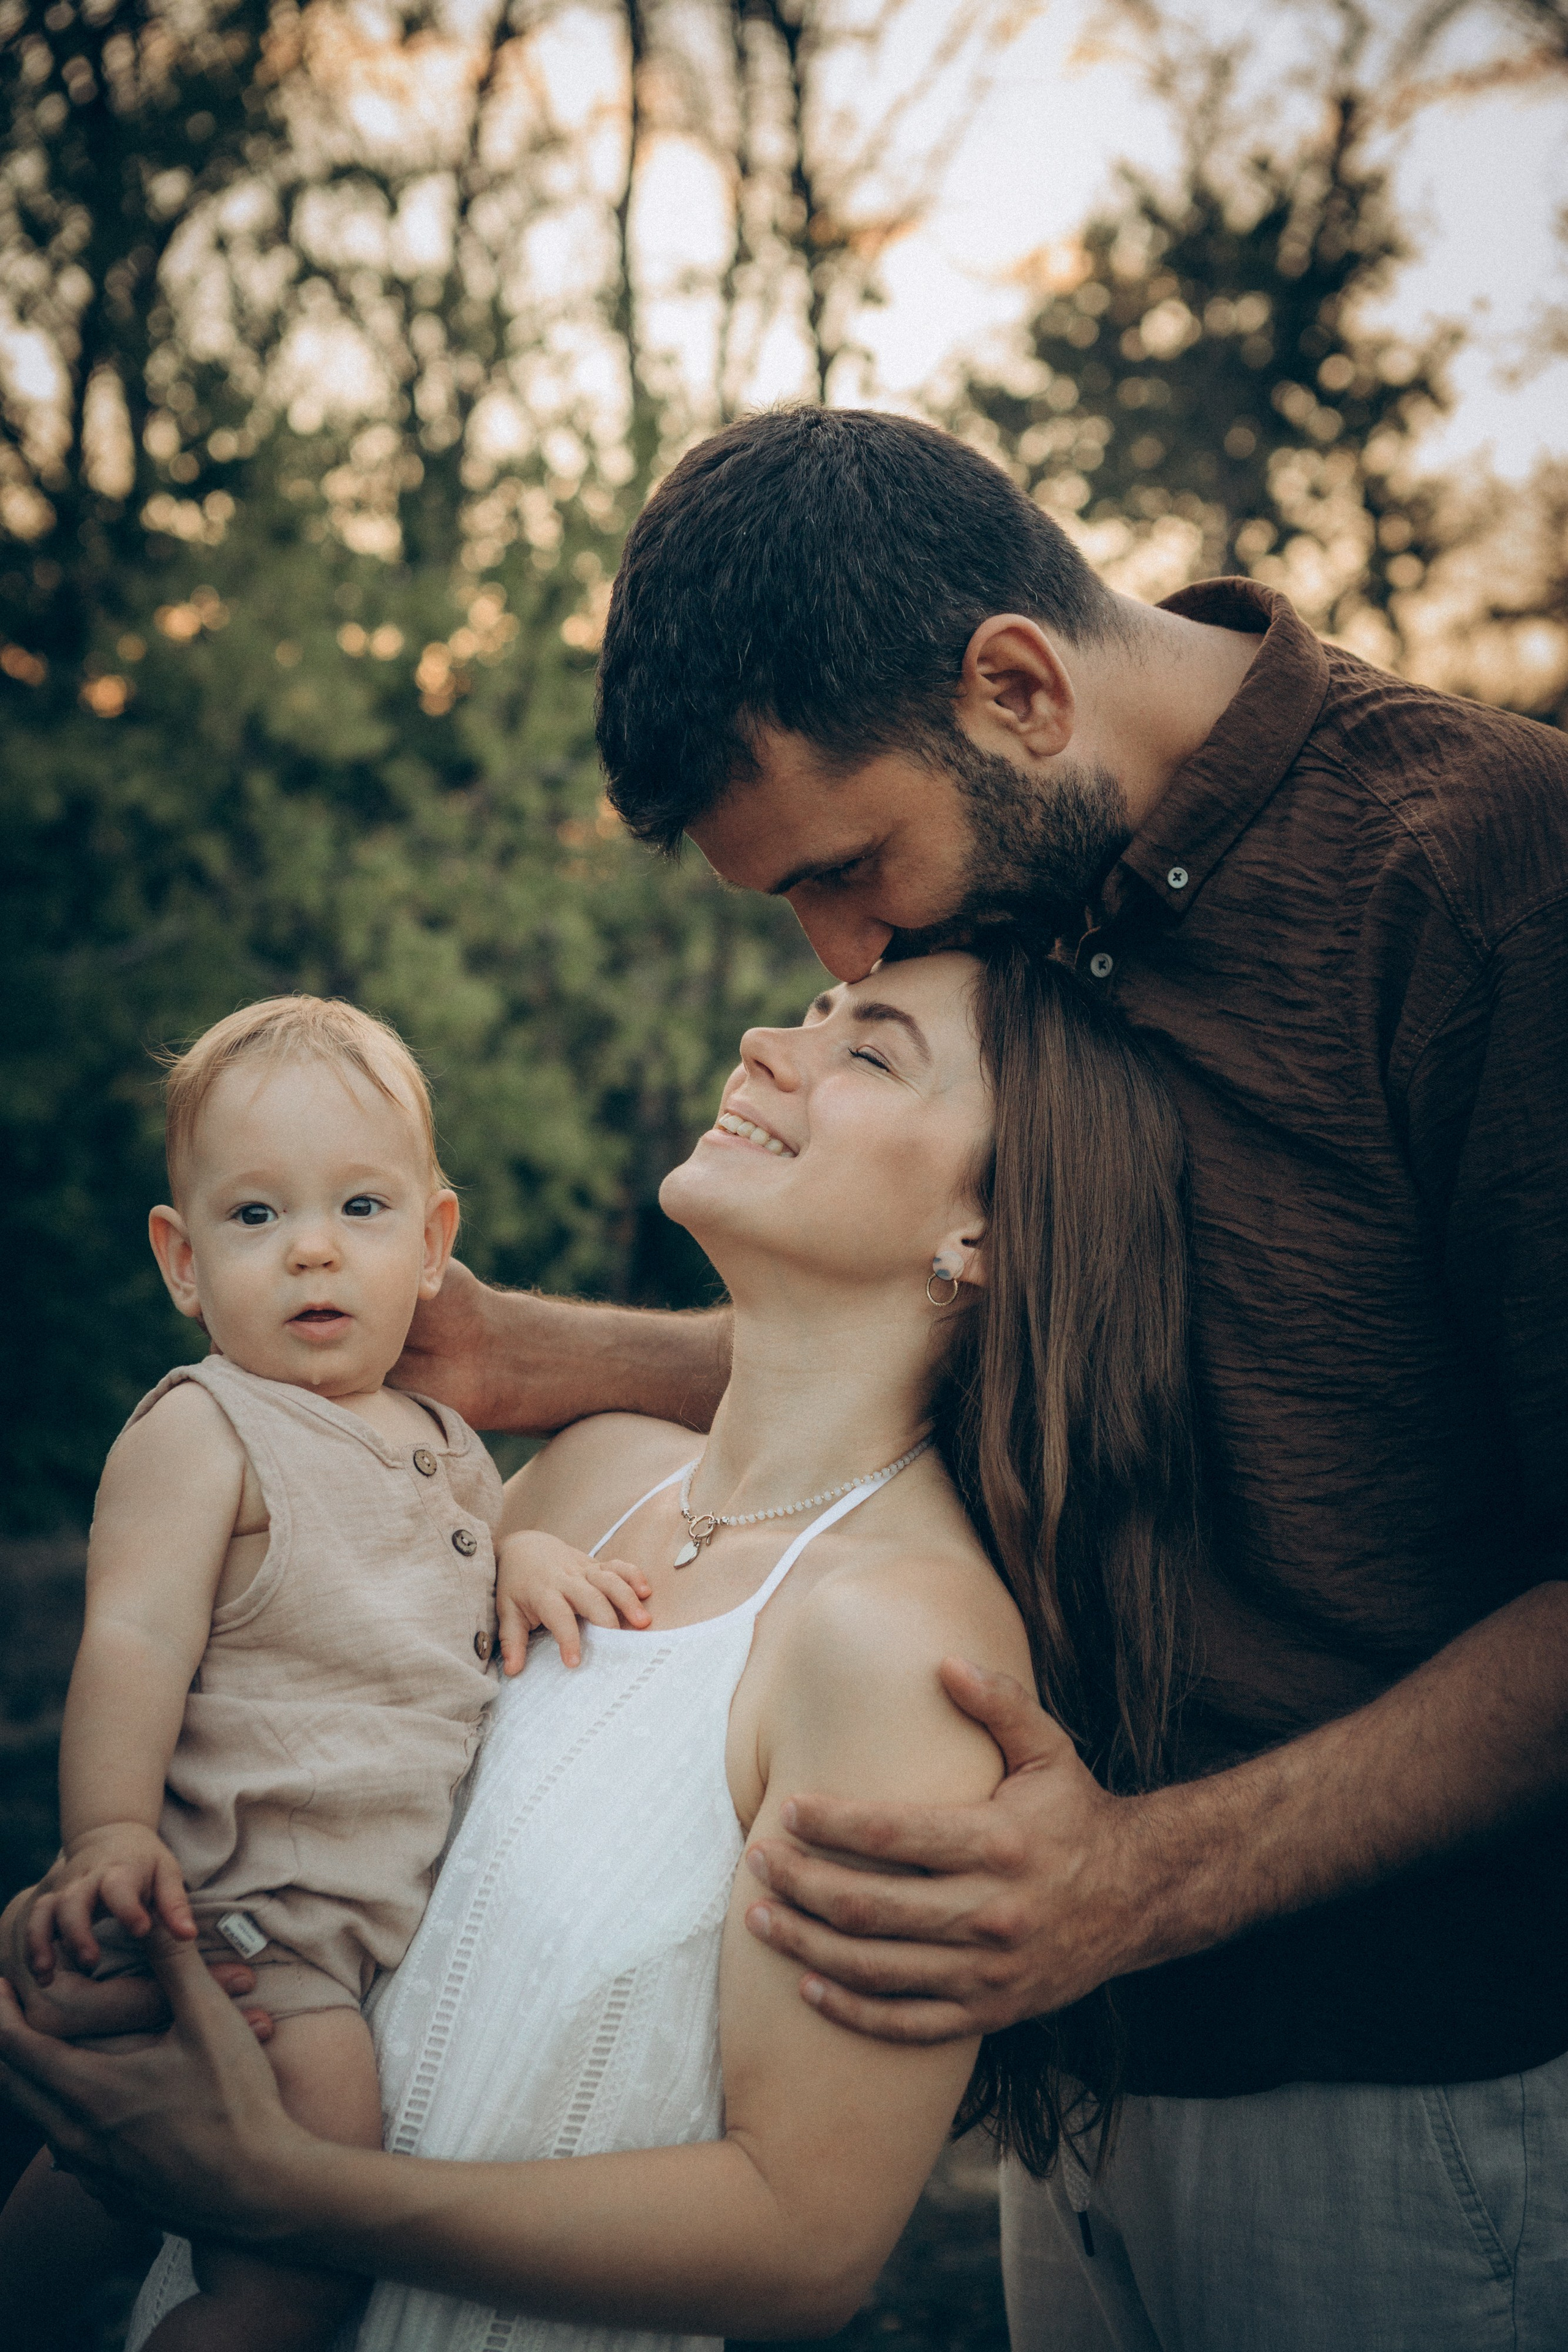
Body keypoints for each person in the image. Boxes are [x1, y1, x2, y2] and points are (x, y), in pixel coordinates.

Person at [412, 408, 1565, 2345]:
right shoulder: (1040, 900)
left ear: (1016, 686)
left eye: (850, 870)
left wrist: (1142, 1878)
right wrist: (560, 1359)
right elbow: (983, 1336)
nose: (842, 950)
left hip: (1402, 2102)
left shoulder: (1485, 879)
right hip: (1078, 2066)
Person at [0, 938, 1202, 2350]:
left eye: (868, 1050)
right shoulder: (582, 1478)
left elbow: (800, 2243)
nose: (769, 1039)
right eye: (809, 1010)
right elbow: (320, 1781)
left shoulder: (897, 1643)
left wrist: (283, 2194)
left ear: (984, 1230)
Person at [0, 995, 652, 2352]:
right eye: (255, 1218)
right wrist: (108, 1837)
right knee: (296, 2275)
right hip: (257, 1932)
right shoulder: (208, 1429)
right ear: (181, 1261)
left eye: (361, 1209)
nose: (311, 1248)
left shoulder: (446, 1441)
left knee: (105, 2183)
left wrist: (516, 1563)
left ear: (433, 1244)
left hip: (357, 1934)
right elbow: (132, 1643)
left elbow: (430, 1586)